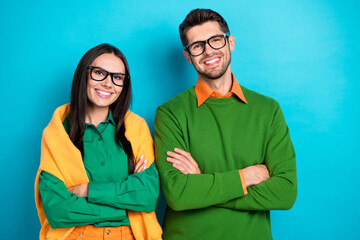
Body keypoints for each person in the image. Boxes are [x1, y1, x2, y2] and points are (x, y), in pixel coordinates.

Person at [155, 9, 297, 240]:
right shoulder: (170, 113)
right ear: (188, 57)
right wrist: (246, 176)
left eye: (215, 40)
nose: (208, 50)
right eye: (197, 45)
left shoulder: (268, 110)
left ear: (230, 42)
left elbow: (285, 193)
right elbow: (179, 194)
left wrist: (203, 185)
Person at [35, 43, 162, 240]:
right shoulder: (57, 132)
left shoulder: (136, 128)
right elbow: (57, 208)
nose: (108, 83)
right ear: (83, 74)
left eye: (117, 77)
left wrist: (87, 190)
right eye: (99, 73)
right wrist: (126, 206)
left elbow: (147, 195)